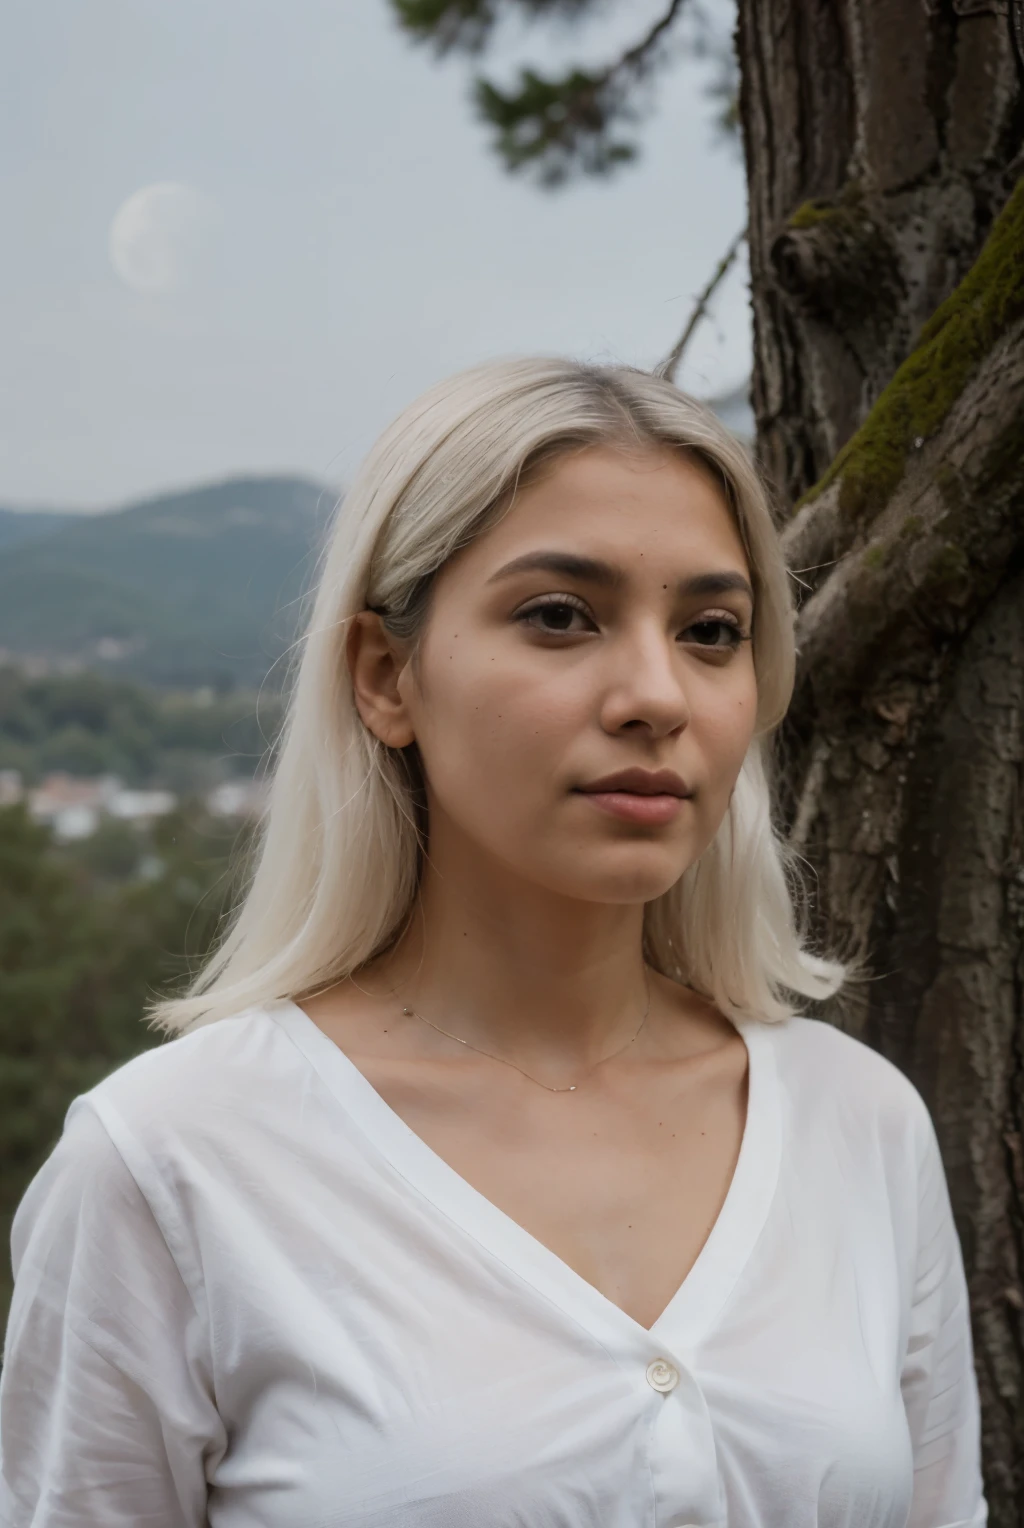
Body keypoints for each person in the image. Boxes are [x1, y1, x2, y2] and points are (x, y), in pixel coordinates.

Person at [0, 358, 986, 1528]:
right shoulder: (172, 1164)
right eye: (559, 617)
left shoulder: (857, 1125)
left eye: (711, 631)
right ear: (385, 677)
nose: (655, 693)